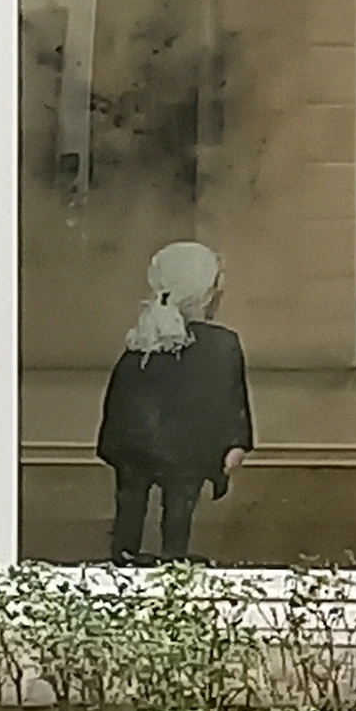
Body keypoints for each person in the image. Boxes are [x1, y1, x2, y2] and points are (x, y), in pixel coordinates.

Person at [97, 241, 253, 563]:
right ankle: (170, 557)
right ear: (206, 291)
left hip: (138, 448)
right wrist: (236, 442)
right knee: (178, 506)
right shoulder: (221, 345)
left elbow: (122, 396)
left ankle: (126, 554)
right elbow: (230, 399)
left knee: (132, 503)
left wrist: (116, 444)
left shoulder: (143, 340)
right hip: (186, 452)